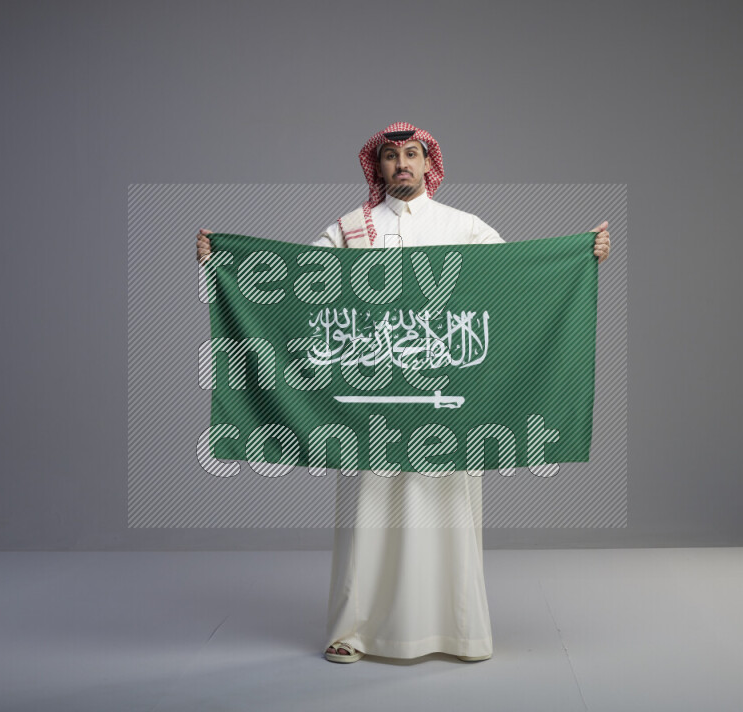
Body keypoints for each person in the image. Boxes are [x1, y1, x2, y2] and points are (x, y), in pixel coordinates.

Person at [195, 122, 611, 664]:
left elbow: (517, 284)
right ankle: (351, 632)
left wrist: (582, 257)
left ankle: (458, 633)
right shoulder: (349, 230)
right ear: (378, 167)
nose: (402, 165)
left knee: (447, 518)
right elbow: (294, 289)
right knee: (366, 519)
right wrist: (227, 262)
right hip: (368, 407)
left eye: (412, 154)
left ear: (428, 163)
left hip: (445, 404)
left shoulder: (463, 227)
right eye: (391, 157)